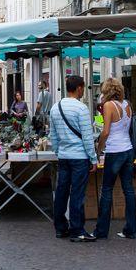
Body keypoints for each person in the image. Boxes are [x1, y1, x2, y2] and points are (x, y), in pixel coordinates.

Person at [49, 75, 99, 242]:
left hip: (64, 157)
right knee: (77, 193)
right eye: (83, 88)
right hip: (79, 158)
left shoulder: (55, 108)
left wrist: (58, 151)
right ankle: (77, 230)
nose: (83, 91)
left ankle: (60, 228)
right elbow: (87, 136)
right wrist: (93, 158)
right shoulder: (82, 109)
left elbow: (53, 136)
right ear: (79, 88)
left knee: (62, 192)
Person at [94, 78, 136, 239]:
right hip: (128, 150)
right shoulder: (127, 105)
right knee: (129, 190)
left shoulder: (108, 106)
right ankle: (130, 229)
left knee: (106, 190)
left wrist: (99, 148)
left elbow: (105, 132)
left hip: (114, 150)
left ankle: (101, 230)